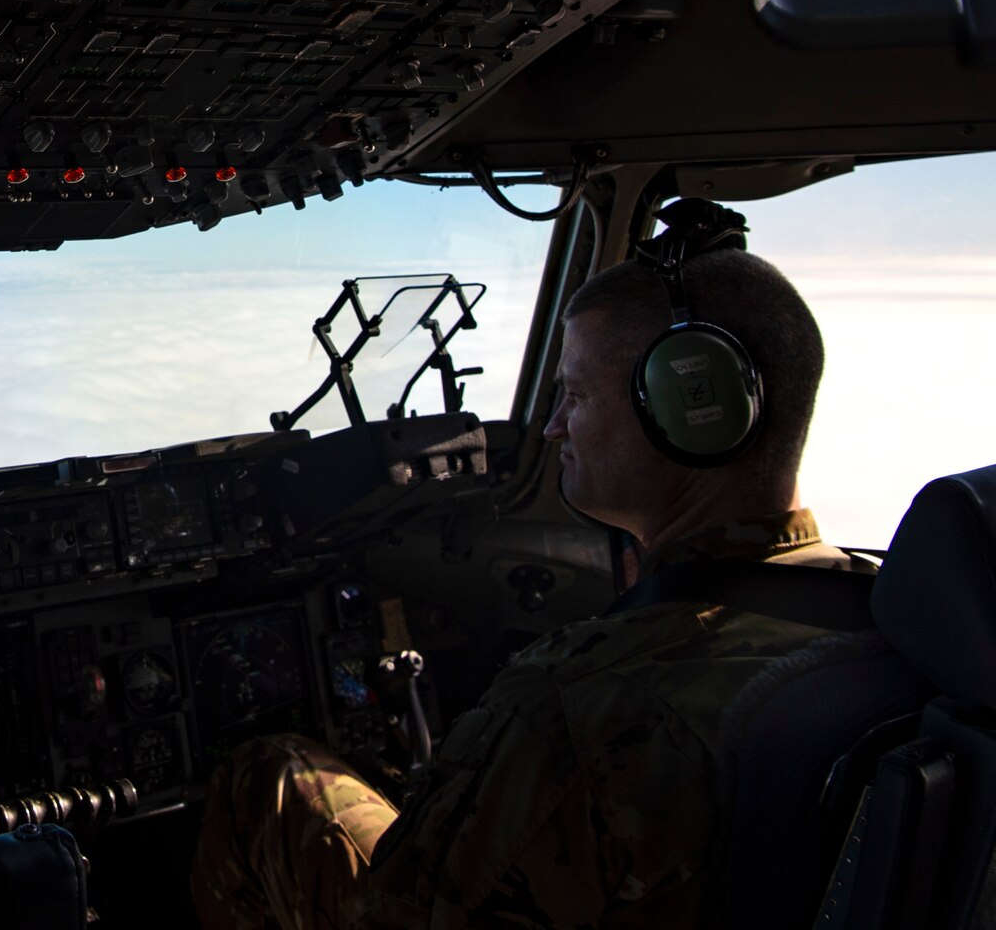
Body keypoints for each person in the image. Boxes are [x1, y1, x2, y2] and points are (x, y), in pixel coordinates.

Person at [194, 243, 859, 929]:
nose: (552, 427)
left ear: (694, 404)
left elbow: (399, 911)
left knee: (270, 779)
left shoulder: (579, 705)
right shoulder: (892, 615)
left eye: (575, 395)